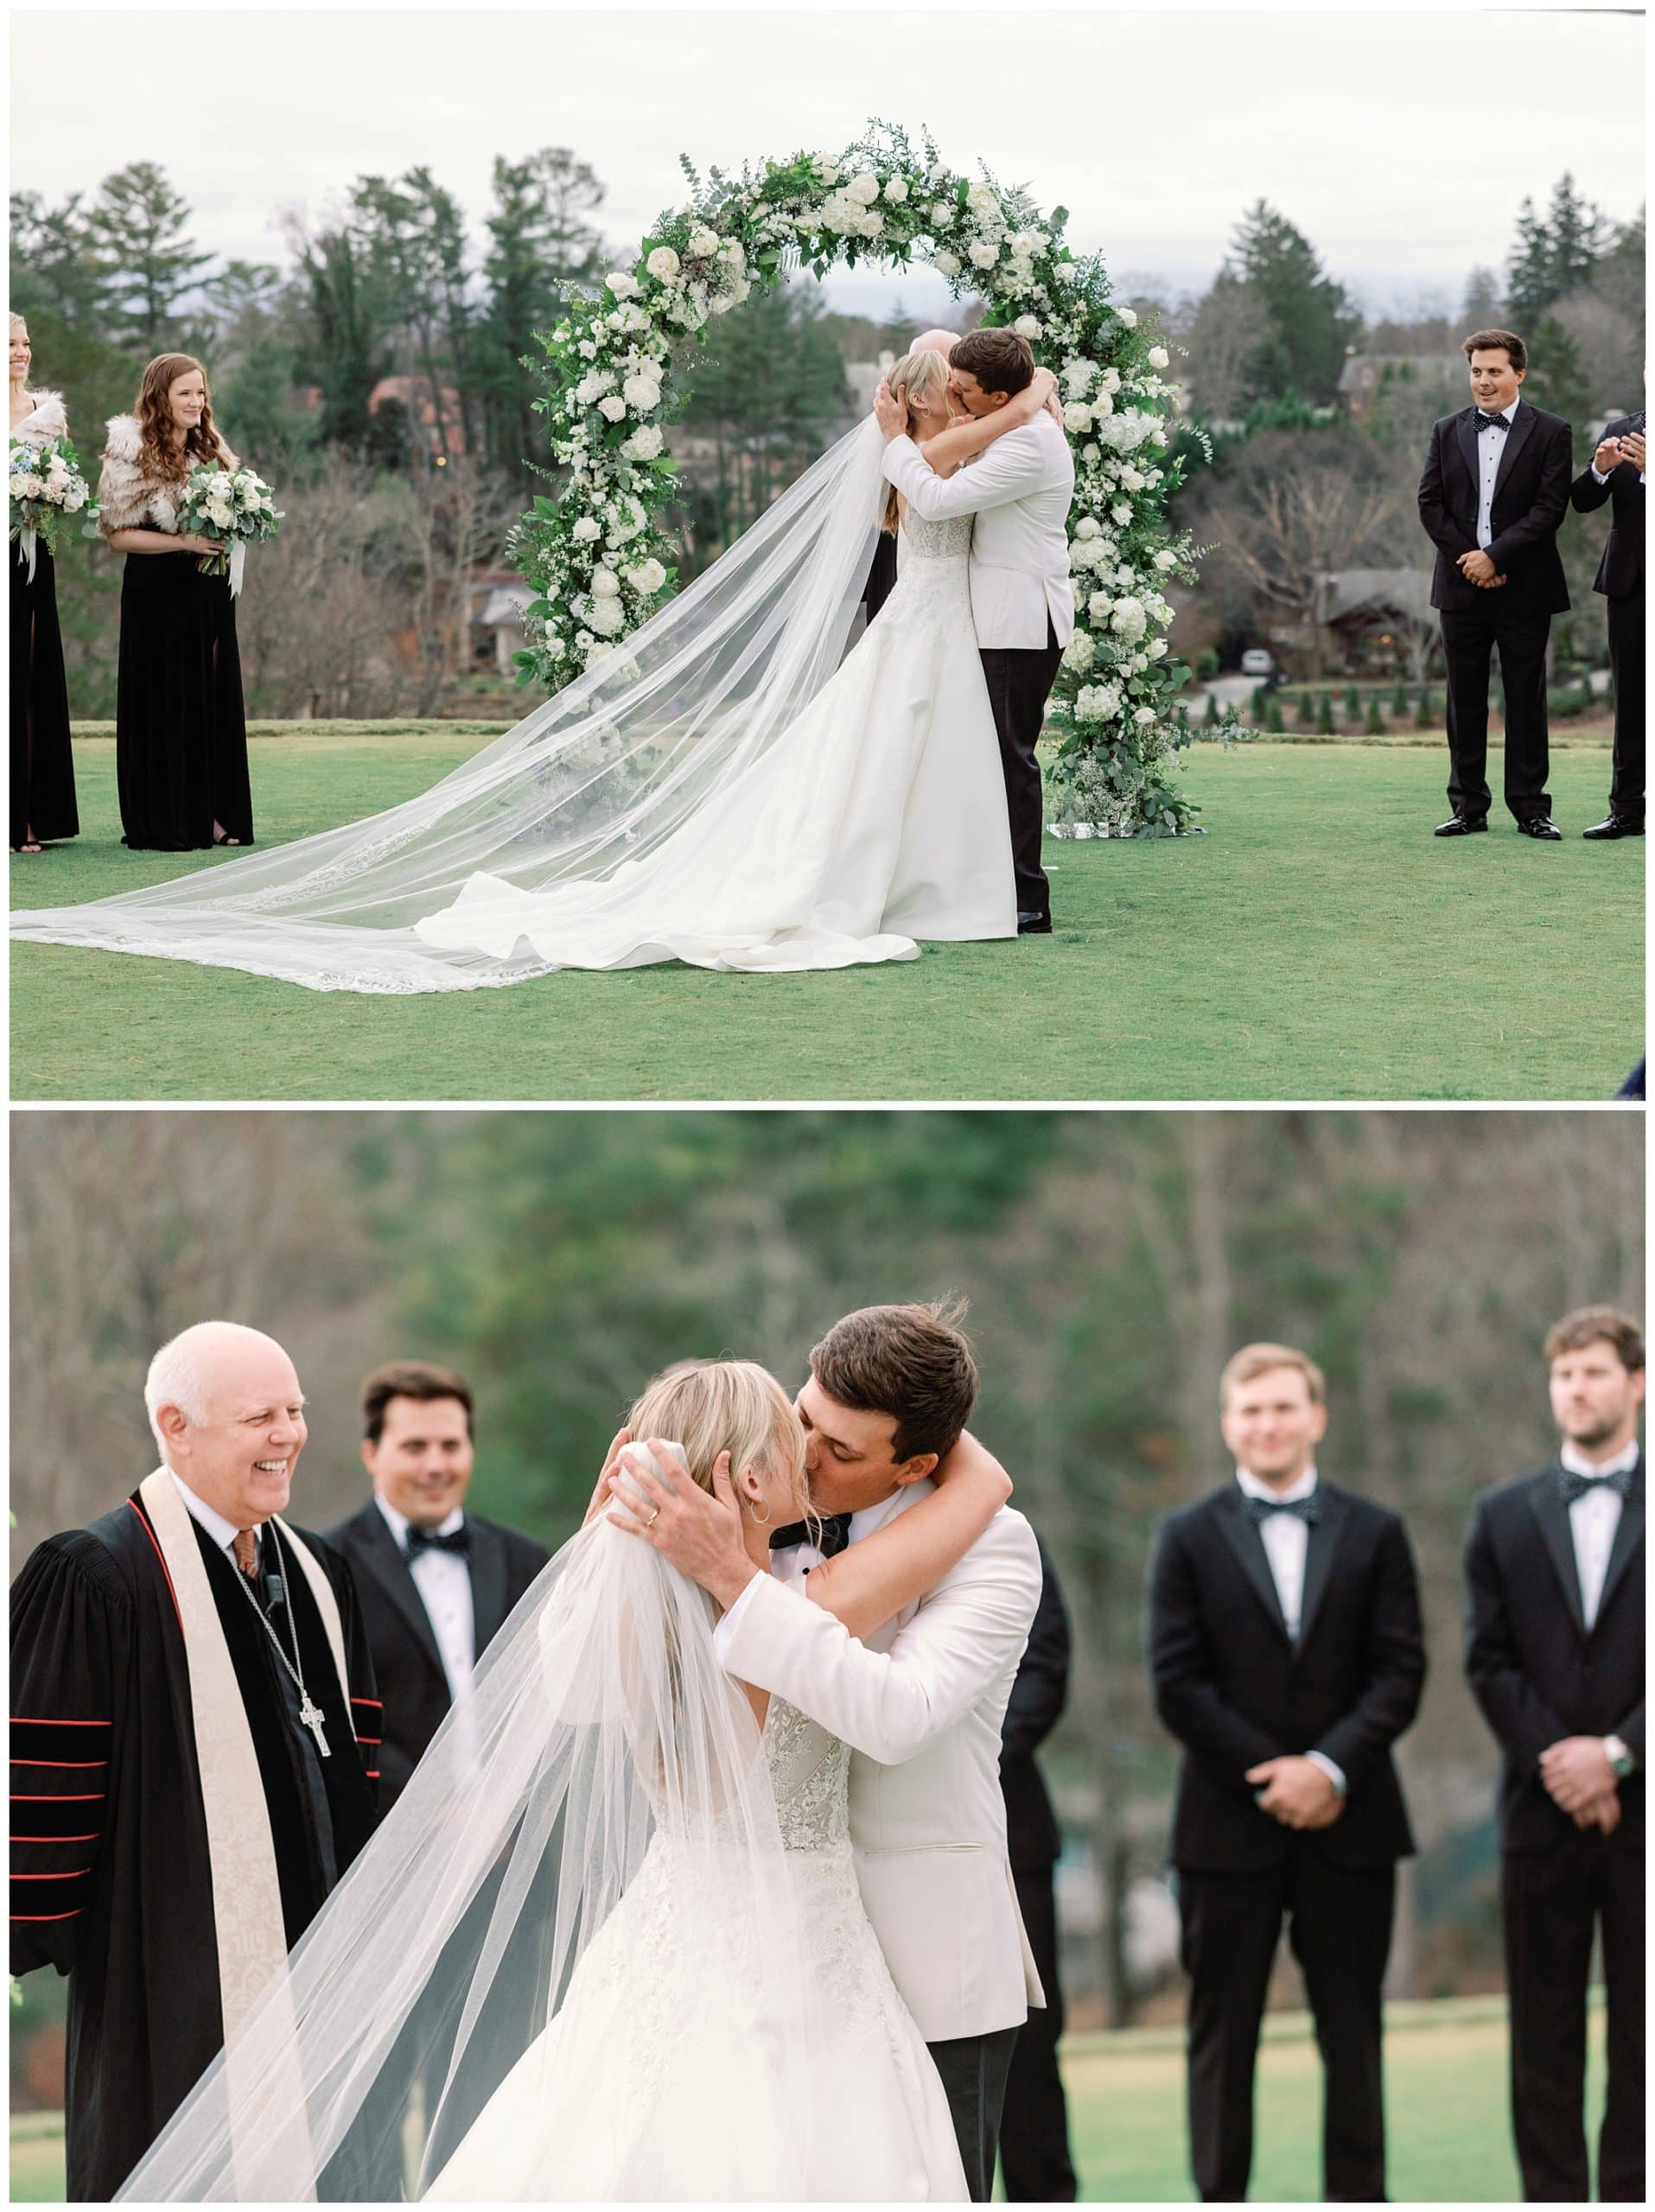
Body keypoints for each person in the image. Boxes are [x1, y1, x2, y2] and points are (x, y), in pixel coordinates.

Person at [116, 1355, 1024, 2202]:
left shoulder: (648, 1612)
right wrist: (970, 1472)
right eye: (797, 1439)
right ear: (747, 1478)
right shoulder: (784, 1613)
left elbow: (585, 1683)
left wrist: (611, 1530)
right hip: (796, 1940)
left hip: (673, 1922)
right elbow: (863, 1681)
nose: (812, 1464)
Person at [14, 354, 1070, 989]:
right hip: (931, 618)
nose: (966, 404)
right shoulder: (931, 451)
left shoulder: (968, 442)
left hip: (954, 621)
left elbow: (956, 469)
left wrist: (1008, 413)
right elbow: (929, 494)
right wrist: (999, 415)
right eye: (959, 394)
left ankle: (960, 881)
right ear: (941, 398)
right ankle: (945, 883)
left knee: (930, 754)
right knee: (890, 750)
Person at [620, 1302, 1045, 2201]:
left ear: (918, 1465)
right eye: (804, 1417)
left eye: (841, 1451)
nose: (805, 1455)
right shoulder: (750, 1504)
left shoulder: (995, 1549)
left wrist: (733, 1580)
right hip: (759, 1964)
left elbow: (896, 1716)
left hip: (925, 1962)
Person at [9, 1322, 380, 2202]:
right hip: (170, 1990)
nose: (289, 1434)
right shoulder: (95, 1578)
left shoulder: (322, 1574)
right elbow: (39, 1806)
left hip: (328, 1987)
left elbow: (357, 1773)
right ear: (176, 1425)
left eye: (296, 1410)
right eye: (261, 1416)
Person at [1147, 1343, 1426, 2204]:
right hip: (1224, 1830)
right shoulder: (1185, 1536)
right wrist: (1273, 1773)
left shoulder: (1376, 1530)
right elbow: (1176, 1681)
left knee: (1353, 2037)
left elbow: (1400, 1669)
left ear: (1316, 1415)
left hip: (1353, 1823)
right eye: (1249, 1410)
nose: (1266, 1424)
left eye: (1281, 1407)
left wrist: (1328, 1768)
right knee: (1221, 2042)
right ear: (1227, 1423)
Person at [1463, 1306, 1644, 2204]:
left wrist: (1617, 1753)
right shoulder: (1499, 1515)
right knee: (1542, 2031)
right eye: (1564, 1375)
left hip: (1644, 1810)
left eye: (1595, 1372)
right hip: (1539, 1813)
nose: (1576, 1389)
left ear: (1636, 1384)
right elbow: (1485, 1659)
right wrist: (1562, 1761)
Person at [878, 327, 1075, 932]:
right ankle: (985, 883)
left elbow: (937, 501)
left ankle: (1026, 900)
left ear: (995, 397)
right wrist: (1033, 389)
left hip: (1015, 619)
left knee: (1009, 759)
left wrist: (893, 440)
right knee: (985, 757)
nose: (954, 399)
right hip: (989, 617)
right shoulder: (1014, 423)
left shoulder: (1026, 445)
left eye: (963, 391)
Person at [326, 1360, 551, 1813]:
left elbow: (548, 1699)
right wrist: (432, 1816)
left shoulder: (528, 1561)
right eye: (414, 1447)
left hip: (516, 1844)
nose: (436, 1465)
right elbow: (335, 1715)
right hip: (384, 1846)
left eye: (450, 1446)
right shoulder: (327, 1566)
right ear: (372, 1453)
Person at [1416, 328, 1572, 839]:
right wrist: (1471, 561)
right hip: (1462, 585)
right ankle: (1468, 807)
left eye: (1494, 371)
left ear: (1519, 374)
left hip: (1525, 585)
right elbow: (1430, 504)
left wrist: (1497, 557)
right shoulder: (1445, 430)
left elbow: (1550, 510)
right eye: (1477, 372)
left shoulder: (1552, 431)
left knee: (1526, 698)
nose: (1483, 382)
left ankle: (1531, 809)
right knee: (1464, 698)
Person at [95, 353, 253, 850]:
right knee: (168, 699)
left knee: (211, 692)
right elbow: (118, 537)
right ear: (160, 395)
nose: (195, 401)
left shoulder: (212, 449)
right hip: (157, 595)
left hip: (209, 590)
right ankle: (169, 817)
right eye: (185, 392)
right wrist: (183, 543)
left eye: (201, 392)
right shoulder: (129, 451)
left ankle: (214, 811)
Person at [997, 1533, 1077, 2202]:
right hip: (856, 1837)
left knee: (1028, 2038)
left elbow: (1045, 1667)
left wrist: (958, 1760)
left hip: (1008, 1831)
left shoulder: (1005, 1530)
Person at [10, 313, 79, 854]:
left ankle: (30, 816)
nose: (21, 352)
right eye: (10, 343)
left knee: (30, 678)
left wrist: (52, 494)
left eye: (27, 342)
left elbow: (66, 477)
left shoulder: (48, 414)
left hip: (32, 558)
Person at [1569, 410, 1645, 839]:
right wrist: (1599, 471)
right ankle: (1627, 810)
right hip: (1629, 583)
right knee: (1631, 699)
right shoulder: (1620, 430)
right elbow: (1581, 501)